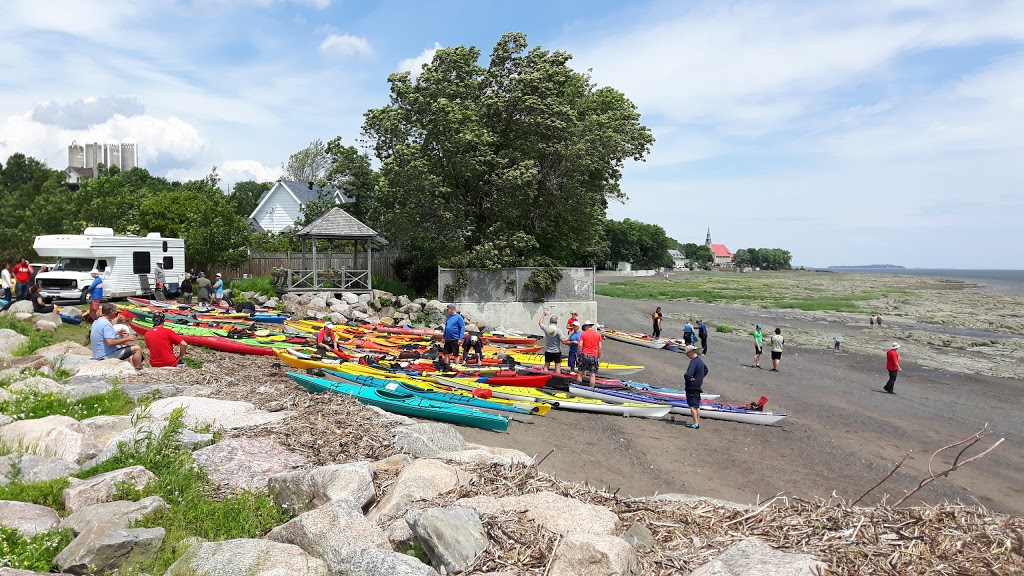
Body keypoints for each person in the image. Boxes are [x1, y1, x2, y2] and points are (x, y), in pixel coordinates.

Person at [90, 302, 143, 369]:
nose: (116, 314)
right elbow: (110, 342)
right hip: (106, 355)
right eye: (115, 312)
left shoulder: (96, 321)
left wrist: (116, 333)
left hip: (97, 354)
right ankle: (137, 369)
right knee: (137, 348)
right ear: (111, 312)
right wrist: (128, 338)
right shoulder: (106, 324)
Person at [682, 345, 707, 429]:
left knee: (692, 406)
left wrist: (689, 378)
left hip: (692, 387)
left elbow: (688, 374)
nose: (687, 356)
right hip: (698, 386)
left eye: (687, 354)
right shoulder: (700, 360)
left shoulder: (693, 362)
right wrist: (699, 377)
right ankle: (697, 422)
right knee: (697, 406)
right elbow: (706, 370)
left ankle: (695, 424)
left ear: (691, 352)